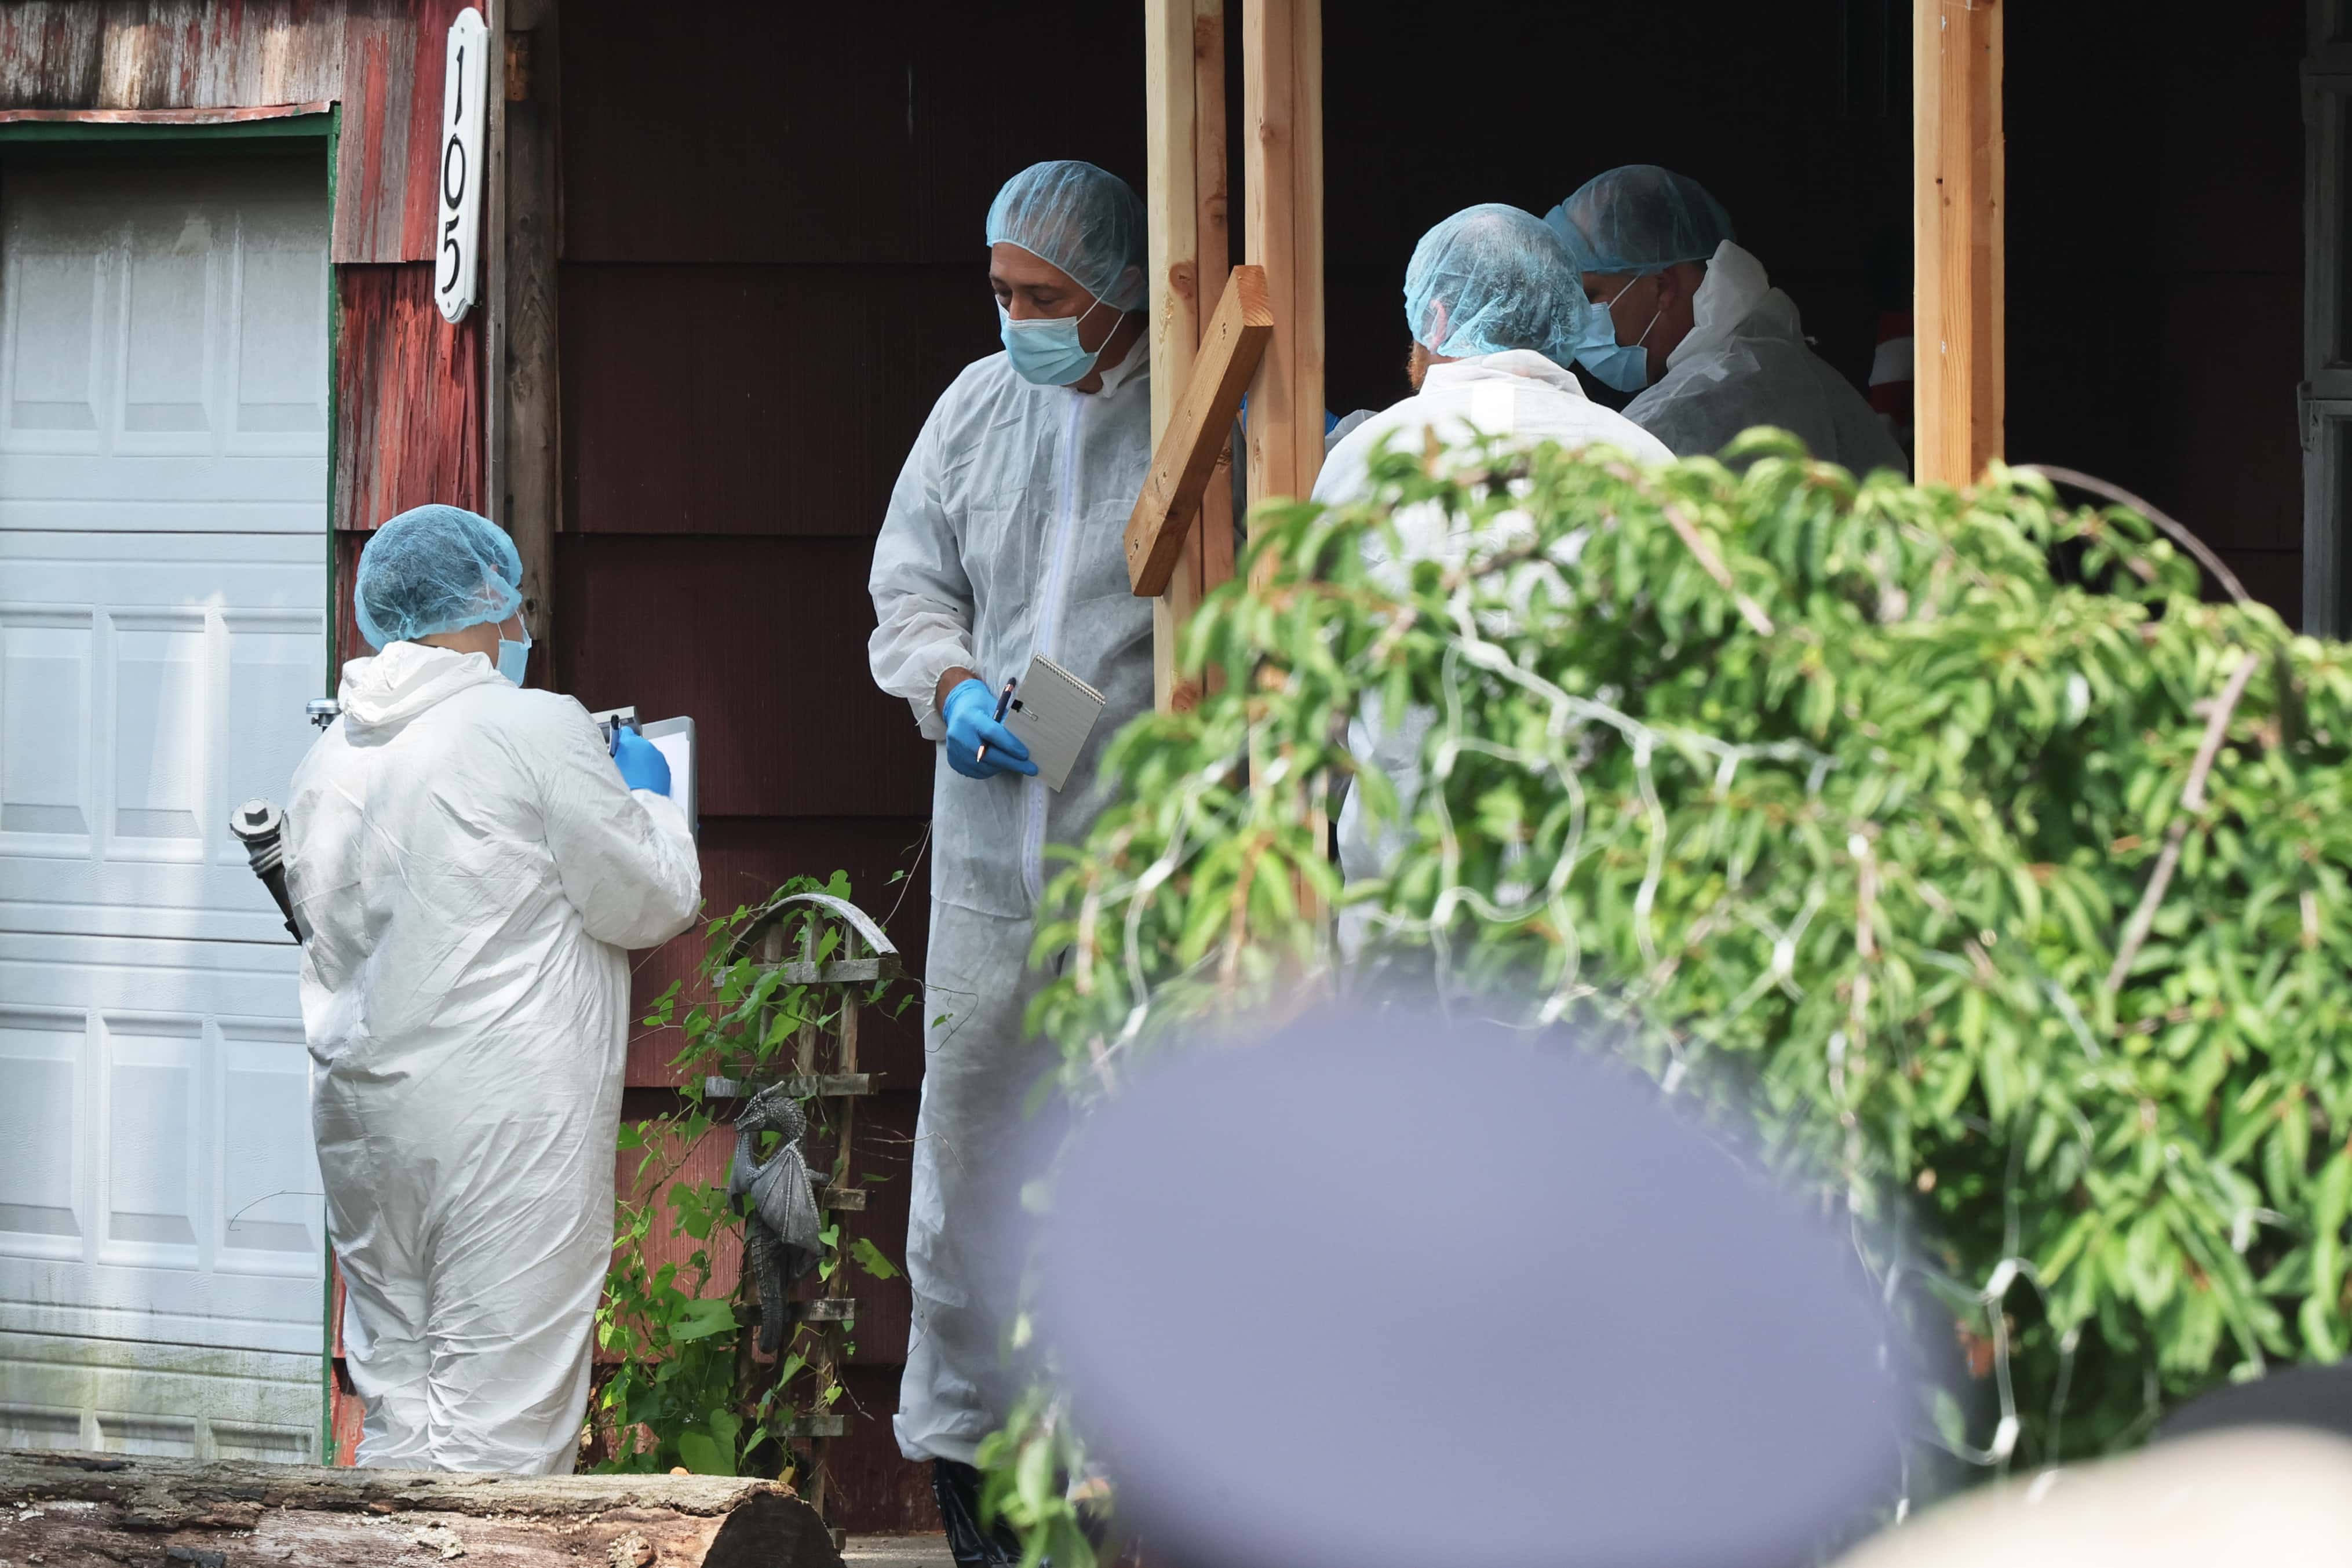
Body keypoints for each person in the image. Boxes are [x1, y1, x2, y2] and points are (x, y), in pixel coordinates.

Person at [866, 159, 1154, 1565]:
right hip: (988, 861)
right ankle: (975, 1479)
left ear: (1113, 295)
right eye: (1001, 291)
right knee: (970, 1164)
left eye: (1044, 296)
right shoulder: (976, 407)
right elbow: (908, 578)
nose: (1017, 317)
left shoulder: (1202, 418)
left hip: (1133, 859)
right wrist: (953, 678)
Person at [285, 504, 701, 1474]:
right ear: (483, 605)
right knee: (503, 1431)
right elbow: (646, 898)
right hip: (504, 1126)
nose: (518, 631)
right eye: (509, 610)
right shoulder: (533, 726)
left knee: (401, 1415)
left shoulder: (327, 758)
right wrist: (645, 793)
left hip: (367, 1126)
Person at [1318, 204, 1673, 939]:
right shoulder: (1645, 460)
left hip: (1405, 908)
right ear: (1565, 319)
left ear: (1436, 317)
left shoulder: (1366, 456)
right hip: (1591, 917)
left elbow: (1312, 687)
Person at [1547, 163, 1908, 475]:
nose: (1576, 319)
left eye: (1590, 295)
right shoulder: (1787, 368)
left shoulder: (1698, 407)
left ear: (1663, 286)